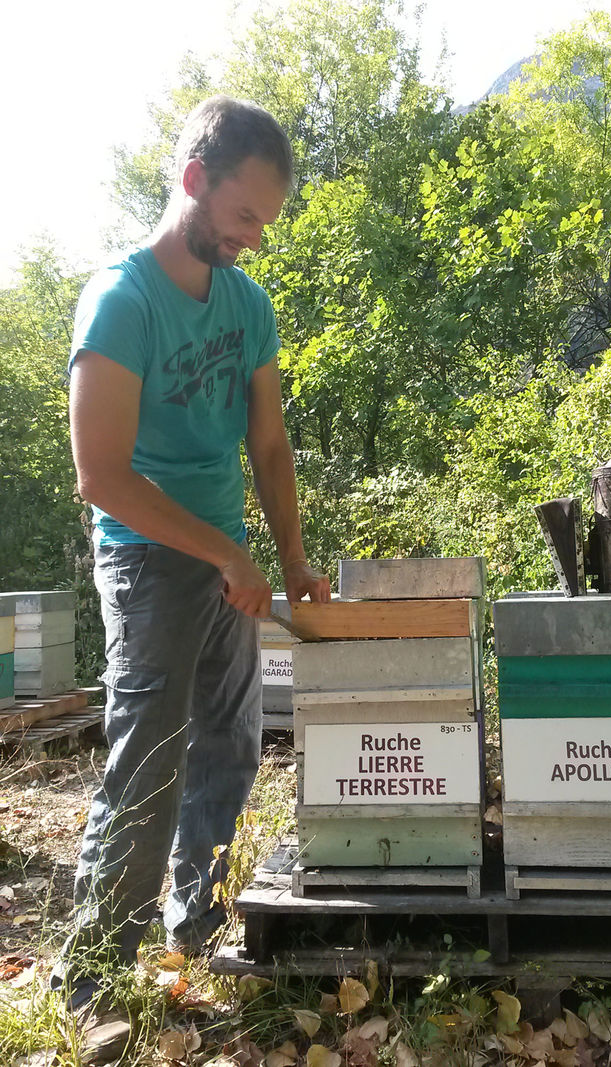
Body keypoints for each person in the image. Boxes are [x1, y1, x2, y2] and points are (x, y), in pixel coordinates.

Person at [52, 95, 330, 1033]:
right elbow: (101, 477)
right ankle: (92, 979)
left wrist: (288, 561)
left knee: (232, 747)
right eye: (245, 214)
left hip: (230, 563)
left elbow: (271, 445)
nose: (256, 237)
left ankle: (194, 929)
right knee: (150, 764)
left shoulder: (250, 303)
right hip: (148, 559)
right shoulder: (122, 300)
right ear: (192, 183)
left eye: (268, 221)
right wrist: (223, 549)